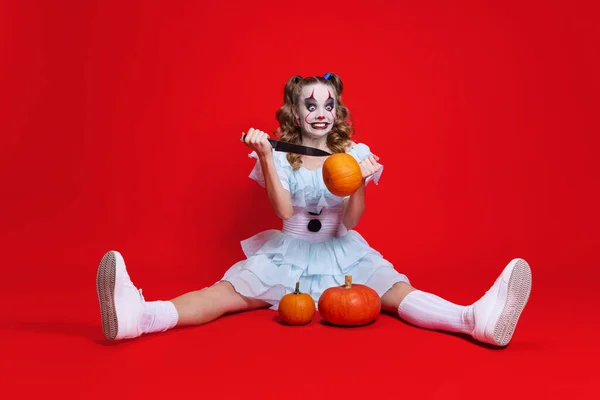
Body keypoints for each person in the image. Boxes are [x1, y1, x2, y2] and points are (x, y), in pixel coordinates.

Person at [96, 73, 532, 346]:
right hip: (290, 250)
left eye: (328, 104)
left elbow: (354, 220)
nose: (320, 112)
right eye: (310, 104)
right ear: (295, 112)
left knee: (398, 295)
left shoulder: (355, 154)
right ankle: (140, 316)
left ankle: (475, 319)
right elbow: (283, 212)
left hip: (344, 251)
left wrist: (360, 179)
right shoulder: (282, 155)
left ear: (336, 111)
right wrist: (266, 156)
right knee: (223, 296)